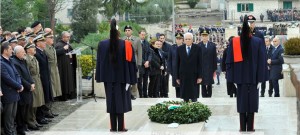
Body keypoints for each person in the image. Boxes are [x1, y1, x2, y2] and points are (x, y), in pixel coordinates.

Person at [226, 16, 268, 132]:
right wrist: (260, 78)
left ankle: (242, 127)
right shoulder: (257, 41)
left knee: (241, 102)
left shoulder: (235, 42)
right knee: (251, 103)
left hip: (240, 78)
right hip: (252, 78)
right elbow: (262, 61)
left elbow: (229, 62)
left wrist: (232, 78)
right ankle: (250, 127)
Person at [95, 19, 137, 132]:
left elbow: (99, 62)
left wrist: (99, 77)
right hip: (122, 79)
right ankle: (121, 127)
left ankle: (113, 127)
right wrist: (132, 79)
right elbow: (131, 62)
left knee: (111, 101)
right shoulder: (126, 44)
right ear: (119, 32)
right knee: (121, 102)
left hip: (108, 79)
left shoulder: (102, 44)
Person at [1, 42, 23, 135]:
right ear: (5, 50)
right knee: (8, 115)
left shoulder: (10, 60)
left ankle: (12, 131)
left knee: (13, 114)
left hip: (15, 91)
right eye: (10, 49)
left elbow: (17, 74)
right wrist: (18, 86)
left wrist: (20, 85)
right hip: (8, 92)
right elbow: (7, 78)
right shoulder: (1, 63)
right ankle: (9, 132)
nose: (12, 51)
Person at [11, 46, 34, 135]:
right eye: (22, 52)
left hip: (28, 88)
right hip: (23, 89)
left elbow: (28, 73)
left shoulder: (23, 60)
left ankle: (25, 126)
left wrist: (32, 82)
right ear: (17, 53)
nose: (24, 53)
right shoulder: (15, 62)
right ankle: (20, 128)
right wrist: (28, 85)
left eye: (24, 51)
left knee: (27, 108)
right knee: (21, 110)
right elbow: (20, 77)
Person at [175, 33, 202, 102]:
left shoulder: (197, 48)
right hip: (183, 75)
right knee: (185, 95)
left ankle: (194, 107)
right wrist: (177, 77)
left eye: (189, 39)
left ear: (192, 40)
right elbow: (177, 63)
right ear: (184, 40)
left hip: (194, 74)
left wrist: (200, 76)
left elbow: (200, 63)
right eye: (186, 39)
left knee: (194, 95)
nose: (187, 40)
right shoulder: (180, 49)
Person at [25, 43, 45, 130]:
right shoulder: (27, 59)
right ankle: (30, 121)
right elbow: (27, 73)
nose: (34, 49)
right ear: (28, 50)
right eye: (32, 47)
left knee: (37, 101)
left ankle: (34, 120)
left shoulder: (34, 58)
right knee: (32, 103)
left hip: (37, 80)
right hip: (32, 81)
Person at [55, 31, 77, 101]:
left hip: (69, 66)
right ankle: (64, 96)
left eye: (69, 37)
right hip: (63, 67)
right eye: (67, 37)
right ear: (63, 37)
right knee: (64, 80)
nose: (69, 38)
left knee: (70, 80)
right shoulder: (59, 45)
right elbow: (55, 53)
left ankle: (71, 94)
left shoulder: (67, 44)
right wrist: (63, 49)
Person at [122, 25, 142, 99]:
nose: (127, 32)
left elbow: (140, 52)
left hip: (134, 60)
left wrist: (139, 63)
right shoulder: (122, 39)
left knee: (134, 77)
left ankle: (133, 94)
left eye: (129, 30)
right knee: (125, 77)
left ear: (132, 31)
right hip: (124, 61)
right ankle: (126, 94)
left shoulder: (137, 39)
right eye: (126, 30)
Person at [44, 30, 62, 100]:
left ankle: (55, 96)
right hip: (50, 68)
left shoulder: (52, 47)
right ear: (46, 39)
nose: (53, 39)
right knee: (52, 83)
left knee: (56, 83)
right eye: (51, 37)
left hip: (55, 67)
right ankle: (52, 97)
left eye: (52, 37)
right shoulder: (45, 48)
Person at [198, 29, 217, 98]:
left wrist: (214, 68)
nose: (204, 37)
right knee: (202, 83)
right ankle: (204, 96)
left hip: (210, 67)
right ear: (201, 36)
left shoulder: (212, 45)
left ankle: (209, 96)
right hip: (202, 67)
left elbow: (214, 57)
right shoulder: (198, 45)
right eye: (203, 35)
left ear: (208, 36)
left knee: (209, 83)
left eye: (206, 35)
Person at [168, 33, 184, 98]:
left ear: (182, 40)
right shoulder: (172, 47)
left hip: (183, 70)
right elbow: (169, 59)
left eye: (180, 39)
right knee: (177, 87)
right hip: (175, 70)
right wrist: (170, 70)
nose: (178, 40)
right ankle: (178, 100)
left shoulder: (185, 47)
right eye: (177, 39)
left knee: (184, 87)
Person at [137, 30, 151, 98]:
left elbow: (150, 53)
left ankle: (145, 94)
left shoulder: (147, 43)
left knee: (146, 81)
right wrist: (144, 62)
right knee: (140, 81)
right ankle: (141, 94)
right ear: (139, 35)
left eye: (144, 35)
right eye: (142, 34)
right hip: (140, 65)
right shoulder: (137, 42)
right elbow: (137, 54)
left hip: (147, 65)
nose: (143, 36)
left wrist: (148, 61)